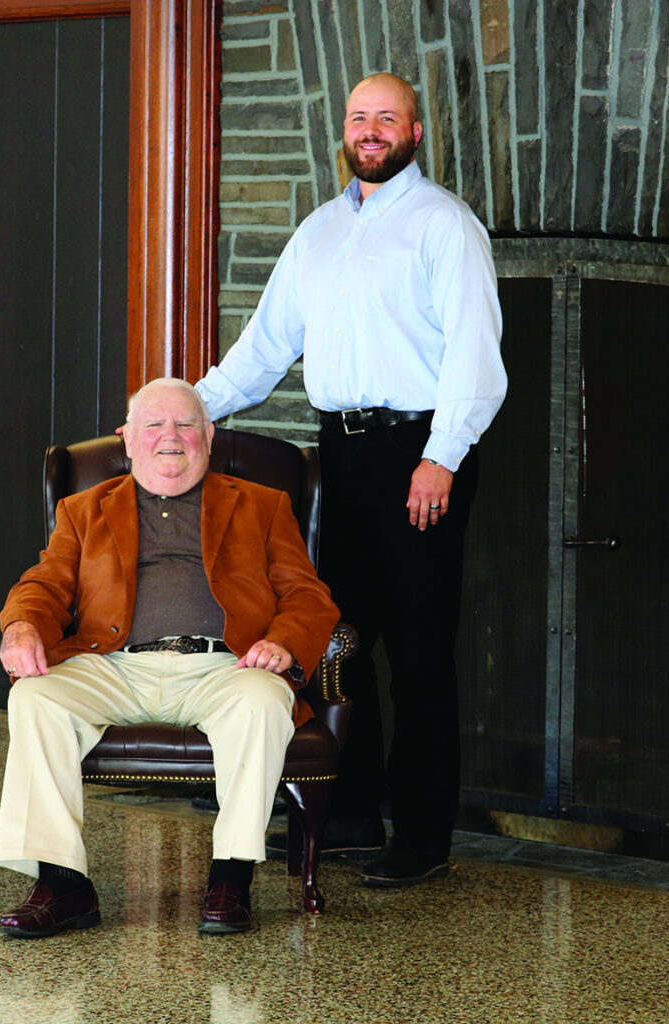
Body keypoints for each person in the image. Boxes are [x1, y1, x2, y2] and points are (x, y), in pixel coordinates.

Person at [196, 73, 506, 887]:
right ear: (345, 129)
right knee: (339, 642)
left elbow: (477, 355)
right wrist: (182, 413)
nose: (370, 130)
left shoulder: (445, 226)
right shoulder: (320, 232)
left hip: (420, 457)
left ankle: (424, 837)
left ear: (414, 131)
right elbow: (262, 352)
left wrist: (441, 458)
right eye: (358, 117)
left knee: (419, 654)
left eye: (386, 118)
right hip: (338, 459)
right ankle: (356, 812)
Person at [0, 377, 339, 936]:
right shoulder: (84, 509)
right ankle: (62, 884)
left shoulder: (262, 505)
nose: (169, 437)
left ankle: (231, 878)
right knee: (36, 696)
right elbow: (44, 584)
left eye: (184, 424)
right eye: (153, 425)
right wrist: (22, 627)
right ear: (126, 439)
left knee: (260, 700)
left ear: (208, 435)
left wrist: (282, 643)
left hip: (225, 666)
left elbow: (307, 595)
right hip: (114, 664)